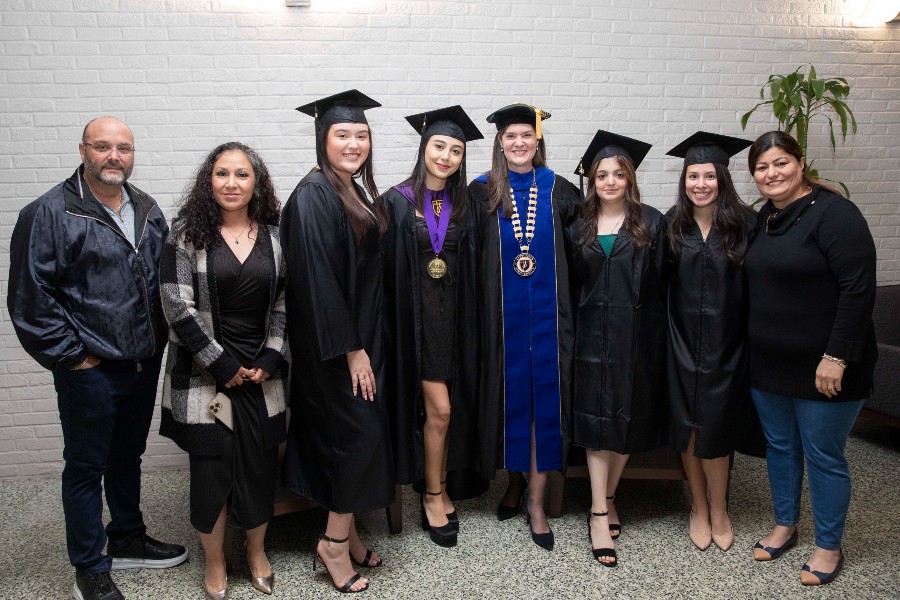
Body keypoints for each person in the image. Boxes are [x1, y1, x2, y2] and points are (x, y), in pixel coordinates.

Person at [7, 117, 188, 600]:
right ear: (84, 149)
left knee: (127, 455)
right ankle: (89, 567)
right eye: (103, 147)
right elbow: (31, 297)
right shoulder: (47, 212)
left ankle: (127, 536)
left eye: (123, 148)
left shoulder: (146, 208)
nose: (114, 156)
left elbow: (162, 278)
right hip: (90, 368)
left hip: (143, 361)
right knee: (86, 466)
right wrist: (73, 357)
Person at [744, 131, 877, 586]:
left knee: (823, 455)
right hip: (769, 364)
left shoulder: (836, 215)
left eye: (780, 163)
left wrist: (836, 356)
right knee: (780, 447)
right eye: (762, 168)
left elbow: (858, 290)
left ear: (801, 164)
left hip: (825, 366)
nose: (771, 173)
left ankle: (828, 546)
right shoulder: (764, 218)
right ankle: (785, 524)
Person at [159, 142, 288, 599]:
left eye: (242, 174)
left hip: (259, 379)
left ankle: (255, 553)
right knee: (211, 470)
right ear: (208, 180)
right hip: (205, 377)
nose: (231, 183)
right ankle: (215, 563)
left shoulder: (275, 236)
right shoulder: (185, 235)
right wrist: (224, 365)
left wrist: (270, 358)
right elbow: (177, 307)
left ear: (257, 183)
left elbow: (283, 306)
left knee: (256, 468)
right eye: (222, 174)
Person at [280, 90, 393, 594]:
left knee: (358, 441)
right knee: (355, 440)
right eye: (342, 135)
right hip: (335, 350)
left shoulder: (351, 189)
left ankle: (344, 538)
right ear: (322, 139)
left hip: (359, 340)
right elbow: (317, 282)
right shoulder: (313, 196)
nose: (353, 143)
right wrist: (352, 348)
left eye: (361, 135)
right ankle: (331, 543)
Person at [468, 103, 581, 551]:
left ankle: (535, 502)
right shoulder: (481, 191)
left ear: (537, 140)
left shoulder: (560, 189)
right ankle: (513, 483)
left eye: (526, 136)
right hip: (500, 322)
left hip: (550, 323)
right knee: (509, 401)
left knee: (541, 407)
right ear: (499, 141)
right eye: (511, 136)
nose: (519, 143)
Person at [379, 106, 484, 548]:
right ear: (424, 148)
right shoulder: (397, 201)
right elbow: (381, 273)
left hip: (455, 323)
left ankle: (437, 483)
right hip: (415, 326)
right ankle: (432, 493)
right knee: (438, 411)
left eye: (455, 150)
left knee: (449, 412)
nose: (446, 156)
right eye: (439, 146)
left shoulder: (466, 205)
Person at [565, 130, 666, 567]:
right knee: (594, 422)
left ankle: (609, 494)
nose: (609, 181)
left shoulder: (653, 223)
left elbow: (664, 286)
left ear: (630, 178)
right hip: (588, 339)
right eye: (601, 174)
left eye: (618, 174)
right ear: (592, 181)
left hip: (635, 339)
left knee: (626, 419)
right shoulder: (577, 228)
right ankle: (598, 511)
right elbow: (568, 288)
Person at [664, 132, 755, 553]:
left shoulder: (747, 224)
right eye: (692, 176)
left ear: (722, 177)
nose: (700, 183)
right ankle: (697, 507)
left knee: (716, 430)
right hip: (680, 344)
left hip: (727, 347)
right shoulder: (673, 226)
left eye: (708, 176)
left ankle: (720, 508)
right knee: (689, 432)